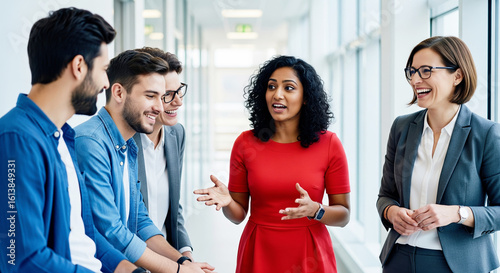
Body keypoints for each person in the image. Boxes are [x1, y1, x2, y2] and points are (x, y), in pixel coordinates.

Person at [0, 7, 138, 273]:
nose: (106, 83)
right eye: (104, 69)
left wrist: (130, 270)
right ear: (78, 66)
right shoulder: (16, 139)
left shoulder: (64, 138)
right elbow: (22, 257)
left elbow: (83, 233)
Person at [194, 55, 351, 273]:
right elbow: (238, 215)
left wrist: (316, 210)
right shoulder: (245, 144)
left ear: (305, 97)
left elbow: (343, 215)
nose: (277, 94)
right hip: (260, 250)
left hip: (309, 252)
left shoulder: (329, 144)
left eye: (289, 88)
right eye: (271, 86)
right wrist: (228, 202)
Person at [74, 49, 214, 273]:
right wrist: (178, 270)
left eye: (161, 97)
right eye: (151, 96)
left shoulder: (127, 145)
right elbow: (112, 231)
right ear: (119, 93)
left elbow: (139, 220)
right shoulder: (91, 143)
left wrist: (183, 262)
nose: (160, 107)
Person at [377, 36, 500, 273]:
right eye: (411, 71)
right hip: (399, 258)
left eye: (425, 71)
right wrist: (392, 212)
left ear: (458, 75)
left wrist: (457, 213)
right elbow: (385, 196)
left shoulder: (486, 134)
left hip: (456, 265)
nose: (415, 80)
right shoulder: (401, 128)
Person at [132, 47, 193, 260]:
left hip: (168, 257)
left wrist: (186, 254)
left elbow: (174, 210)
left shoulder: (177, 134)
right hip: (135, 260)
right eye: (167, 95)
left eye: (179, 91)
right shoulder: (125, 140)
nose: (178, 102)